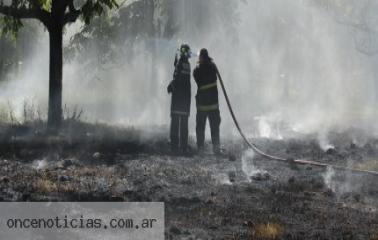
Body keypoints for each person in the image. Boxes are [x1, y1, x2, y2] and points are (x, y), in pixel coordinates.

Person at [193, 48, 221, 154]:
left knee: (200, 127)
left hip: (202, 106)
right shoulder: (213, 68)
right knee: (214, 126)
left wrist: (199, 64)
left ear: (201, 58)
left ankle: (200, 148)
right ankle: (216, 147)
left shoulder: (197, 70)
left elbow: (195, 75)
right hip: (214, 105)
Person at [167, 44, 192, 155]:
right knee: (184, 125)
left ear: (182, 52)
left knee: (175, 124)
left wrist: (170, 86)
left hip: (177, 99)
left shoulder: (180, 63)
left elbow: (177, 78)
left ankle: (174, 148)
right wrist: (176, 64)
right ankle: (184, 147)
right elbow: (183, 77)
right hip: (186, 99)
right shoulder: (188, 64)